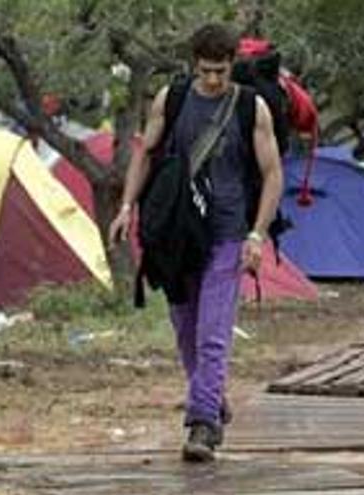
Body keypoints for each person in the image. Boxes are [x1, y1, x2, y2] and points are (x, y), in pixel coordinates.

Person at [107, 23, 283, 462]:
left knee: (212, 334)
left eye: (221, 71)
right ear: (193, 65)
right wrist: (127, 207)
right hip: (178, 234)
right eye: (206, 71)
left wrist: (257, 234)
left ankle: (202, 424)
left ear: (232, 67)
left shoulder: (250, 107)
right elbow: (145, 153)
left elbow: (273, 173)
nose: (213, 80)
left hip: (228, 233)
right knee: (185, 330)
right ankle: (212, 398)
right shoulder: (174, 98)